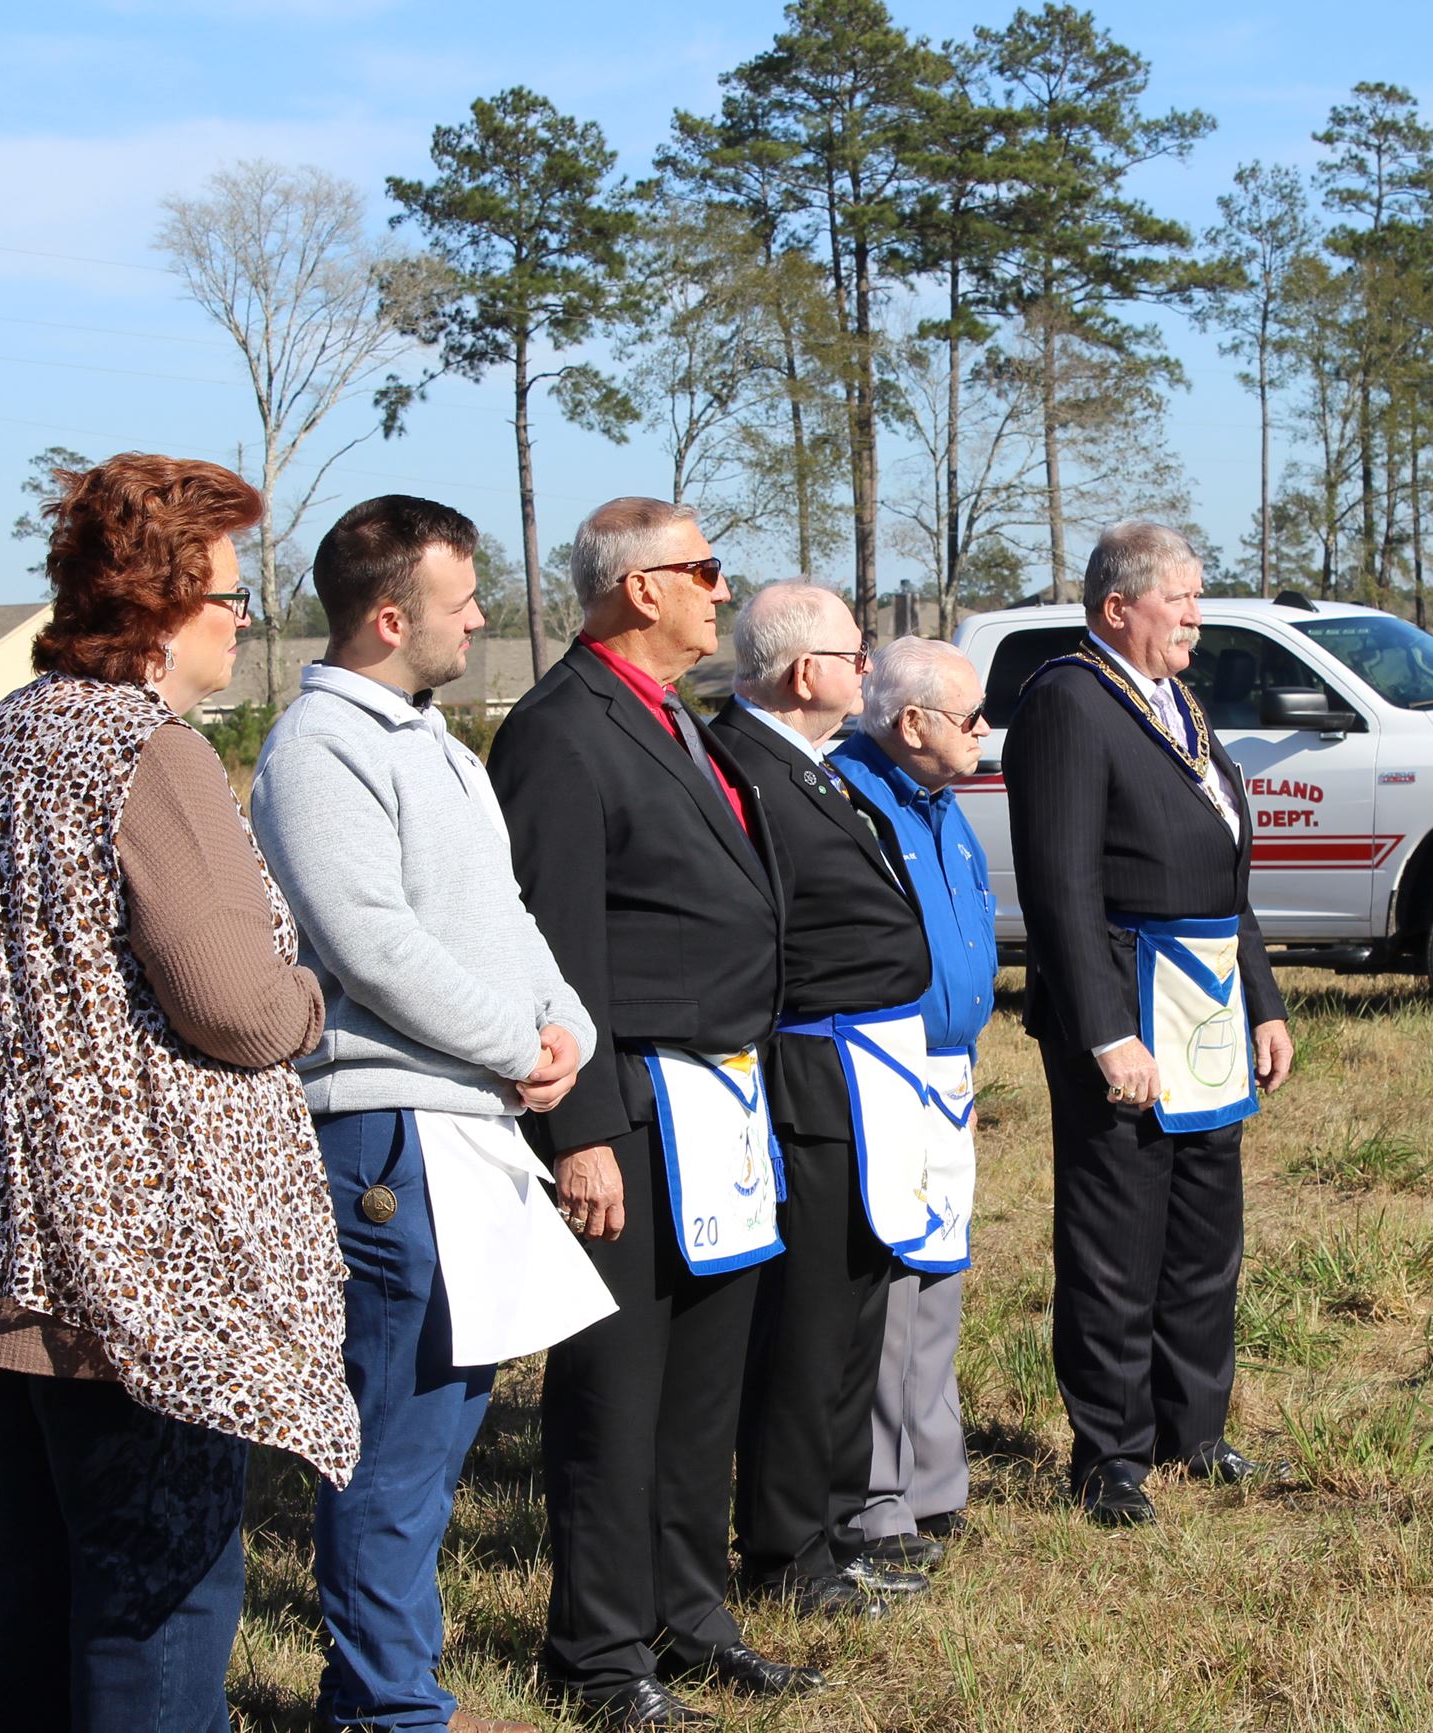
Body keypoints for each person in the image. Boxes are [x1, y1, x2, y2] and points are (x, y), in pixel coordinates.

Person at [0, 453, 356, 1730]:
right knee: (162, 1586)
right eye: (230, 593)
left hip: (4, 1237)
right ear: (161, 599)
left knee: (37, 1575)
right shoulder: (151, 752)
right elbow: (235, 1001)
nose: (244, 616)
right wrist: (313, 996)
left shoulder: (3, 735)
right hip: (138, 1258)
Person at [251, 495, 608, 1733]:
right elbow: (371, 944)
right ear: (391, 615)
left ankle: (392, 1689)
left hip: (468, 1119)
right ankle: (384, 1709)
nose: (481, 617)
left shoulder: (441, 743)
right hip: (389, 1135)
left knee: (440, 1429)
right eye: (462, 600)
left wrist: (566, 1028)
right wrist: (517, 1042)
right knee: (396, 1447)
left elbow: (507, 916)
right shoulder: (317, 748)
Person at [487, 498, 813, 1728]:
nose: (722, 591)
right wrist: (578, 1132)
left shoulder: (678, 719)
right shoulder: (560, 734)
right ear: (637, 587)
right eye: (704, 570)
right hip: (624, 1112)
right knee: (615, 1392)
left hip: (720, 1102)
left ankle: (690, 1615)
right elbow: (555, 949)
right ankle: (599, 1653)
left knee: (699, 1389)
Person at [1001, 520, 1296, 1529]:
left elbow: (1224, 864)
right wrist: (1102, 1030)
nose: (1195, 616)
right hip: (1125, 1003)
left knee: (1204, 1226)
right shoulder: (1067, 701)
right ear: (1118, 606)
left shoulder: (1176, 699)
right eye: (1180, 598)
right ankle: (1110, 1453)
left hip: (1204, 999)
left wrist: (1261, 996)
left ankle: (1193, 1428)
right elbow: (1058, 882)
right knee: (1115, 1231)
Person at [710, 585, 934, 1617]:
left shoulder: (813, 769)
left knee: (854, 1309)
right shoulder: (740, 767)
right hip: (807, 1075)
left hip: (872, 1074)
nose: (867, 669)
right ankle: (787, 1549)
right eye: (855, 653)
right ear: (807, 673)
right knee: (805, 1326)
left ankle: (837, 1528)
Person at [829, 636, 997, 1567]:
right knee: (889, 1293)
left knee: (939, 1281)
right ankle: (875, 1501)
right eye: (970, 718)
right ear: (911, 723)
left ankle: (932, 1482)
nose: (984, 732)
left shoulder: (941, 804)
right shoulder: (856, 801)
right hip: (881, 1069)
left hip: (947, 1071)